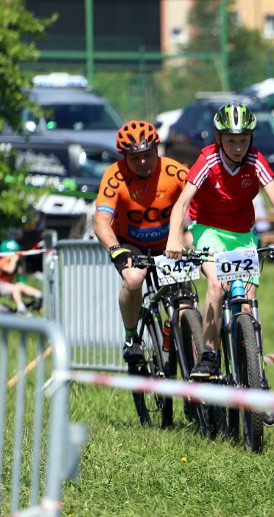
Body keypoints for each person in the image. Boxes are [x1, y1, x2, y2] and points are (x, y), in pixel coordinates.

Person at [165, 102, 274, 425]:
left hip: (243, 235)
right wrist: (174, 237)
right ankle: (210, 354)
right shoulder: (207, 158)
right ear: (219, 138)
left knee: (249, 305)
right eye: (231, 141)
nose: (238, 147)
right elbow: (182, 201)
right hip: (208, 229)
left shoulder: (255, 160)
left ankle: (258, 376)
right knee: (217, 285)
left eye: (243, 140)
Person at [93, 120, 190, 363]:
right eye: (135, 158)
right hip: (130, 242)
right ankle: (131, 337)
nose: (143, 162)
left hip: (169, 242)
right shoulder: (114, 176)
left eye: (148, 155)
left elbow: (199, 199)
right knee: (134, 278)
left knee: (186, 299)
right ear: (123, 156)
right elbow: (101, 221)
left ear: (157, 150)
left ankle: (191, 335)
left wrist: (190, 236)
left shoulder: (173, 171)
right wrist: (115, 250)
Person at [0, 239, 43, 314]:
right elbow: (10, 270)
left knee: (20, 286)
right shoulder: (2, 261)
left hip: (8, 285)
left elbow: (20, 278)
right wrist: (14, 260)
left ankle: (41, 296)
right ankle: (21, 309)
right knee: (17, 287)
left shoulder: (13, 262)